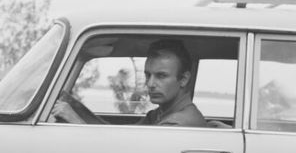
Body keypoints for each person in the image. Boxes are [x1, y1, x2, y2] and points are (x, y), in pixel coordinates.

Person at [51, 39, 207, 127]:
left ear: (184, 79)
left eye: (161, 76)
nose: (151, 84)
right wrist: (76, 108)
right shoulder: (160, 114)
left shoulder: (176, 124)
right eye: (148, 75)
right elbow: (120, 137)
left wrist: (76, 121)